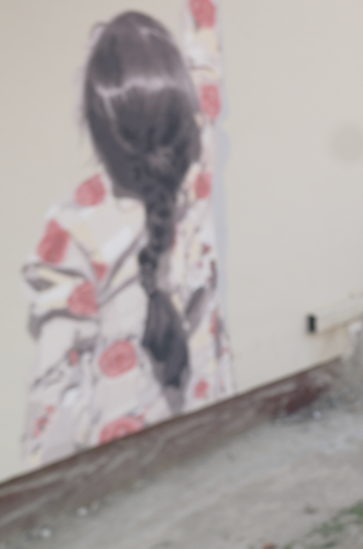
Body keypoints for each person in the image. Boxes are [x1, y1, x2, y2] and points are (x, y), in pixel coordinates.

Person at [21, 10, 235, 468]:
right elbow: (205, 61)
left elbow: (53, 394)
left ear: (95, 125)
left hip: (120, 471)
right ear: (183, 109)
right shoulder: (198, 171)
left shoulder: (72, 229)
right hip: (208, 435)